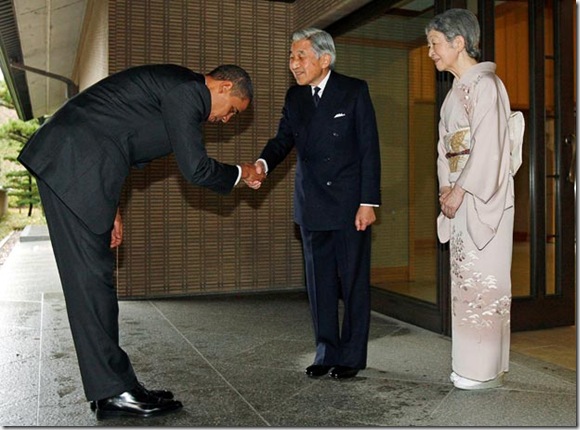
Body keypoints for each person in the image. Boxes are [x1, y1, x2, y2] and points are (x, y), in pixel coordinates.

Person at [18, 64, 264, 419]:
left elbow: (121, 139)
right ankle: (112, 392)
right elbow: (195, 169)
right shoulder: (188, 93)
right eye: (232, 112)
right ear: (224, 86)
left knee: (96, 279)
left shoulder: (179, 93)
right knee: (90, 282)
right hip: (73, 163)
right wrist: (243, 172)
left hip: (85, 167)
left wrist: (112, 207)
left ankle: (116, 386)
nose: (227, 121)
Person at [246, 28, 381, 380]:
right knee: (318, 283)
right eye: (291, 57)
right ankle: (326, 352)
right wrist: (261, 164)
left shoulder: (353, 90)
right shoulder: (295, 99)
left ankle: (351, 356)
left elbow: (369, 149)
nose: (293, 64)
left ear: (325, 58)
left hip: (351, 205)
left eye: (300, 56)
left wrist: (368, 202)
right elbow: (281, 141)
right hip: (312, 204)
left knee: (352, 281)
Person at [426, 9, 515, 390]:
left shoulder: (485, 85)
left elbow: (491, 148)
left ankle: (482, 370)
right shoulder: (453, 94)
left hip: (481, 197)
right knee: (466, 282)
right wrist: (447, 187)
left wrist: (460, 189)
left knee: (485, 280)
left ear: (458, 42)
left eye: (434, 44)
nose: (430, 53)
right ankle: (470, 364)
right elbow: (446, 150)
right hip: (461, 197)